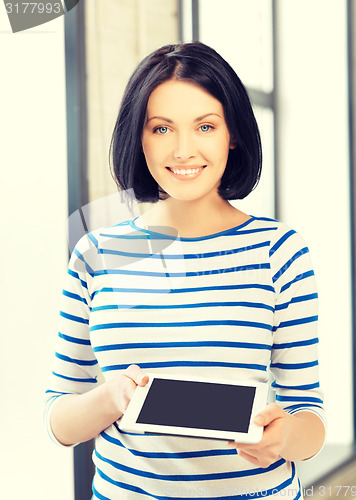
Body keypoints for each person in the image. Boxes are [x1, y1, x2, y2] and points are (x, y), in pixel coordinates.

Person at [45, 41, 325, 499]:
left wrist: (286, 438)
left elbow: (308, 412)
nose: (183, 150)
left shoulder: (279, 250)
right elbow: (59, 418)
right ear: (139, 136)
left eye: (205, 126)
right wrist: (110, 397)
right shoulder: (97, 253)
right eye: (161, 128)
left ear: (231, 134)